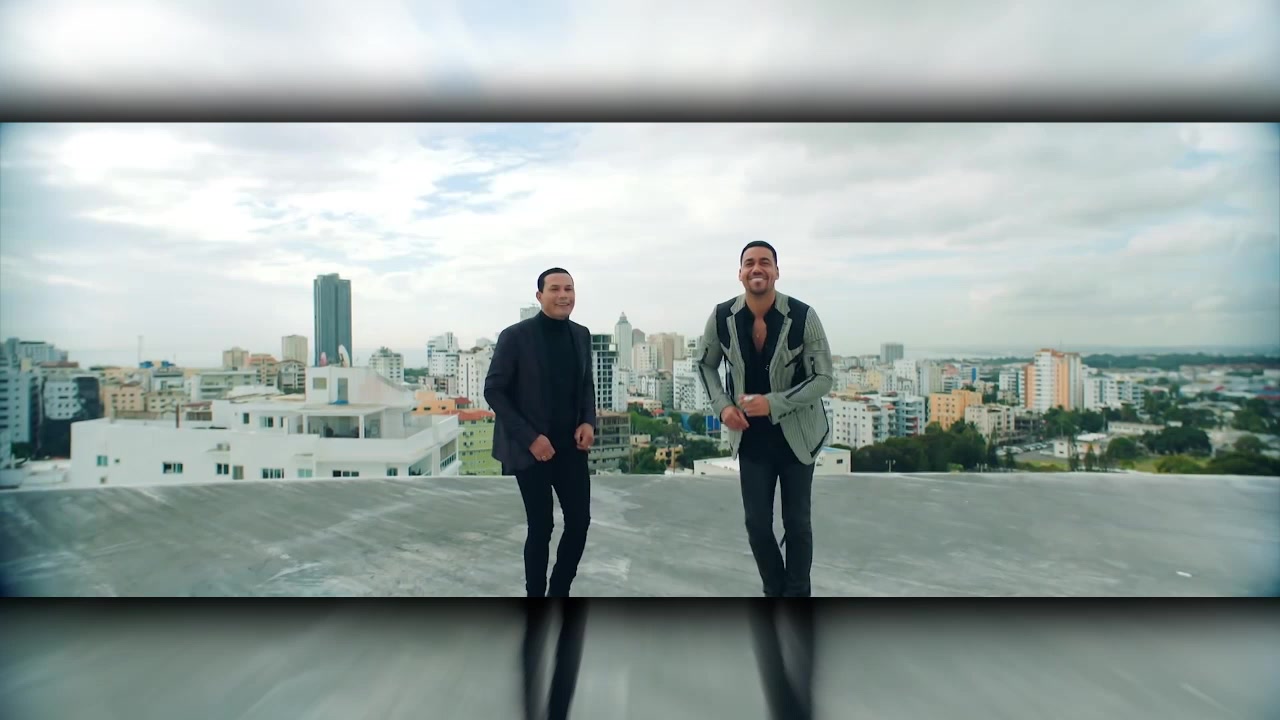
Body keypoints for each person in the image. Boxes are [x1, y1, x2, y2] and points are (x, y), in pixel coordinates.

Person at [695, 241, 834, 598]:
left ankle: (798, 594)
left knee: (797, 524)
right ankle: (775, 590)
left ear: (776, 271)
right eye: (749, 263)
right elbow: (705, 364)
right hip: (751, 437)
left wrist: (773, 403)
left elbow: (823, 378)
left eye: (765, 262)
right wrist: (722, 406)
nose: (757, 268)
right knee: (757, 525)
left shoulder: (803, 315)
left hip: (798, 435)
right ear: (740, 273)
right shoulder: (722, 317)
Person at [485, 267, 597, 598]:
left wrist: (588, 421)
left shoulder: (581, 334)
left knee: (579, 522)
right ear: (539, 296)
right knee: (541, 526)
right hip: (530, 449)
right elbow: (494, 391)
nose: (564, 295)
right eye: (555, 289)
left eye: (569, 289)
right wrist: (530, 438)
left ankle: (558, 592)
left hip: (571, 447)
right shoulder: (515, 336)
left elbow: (586, 384)